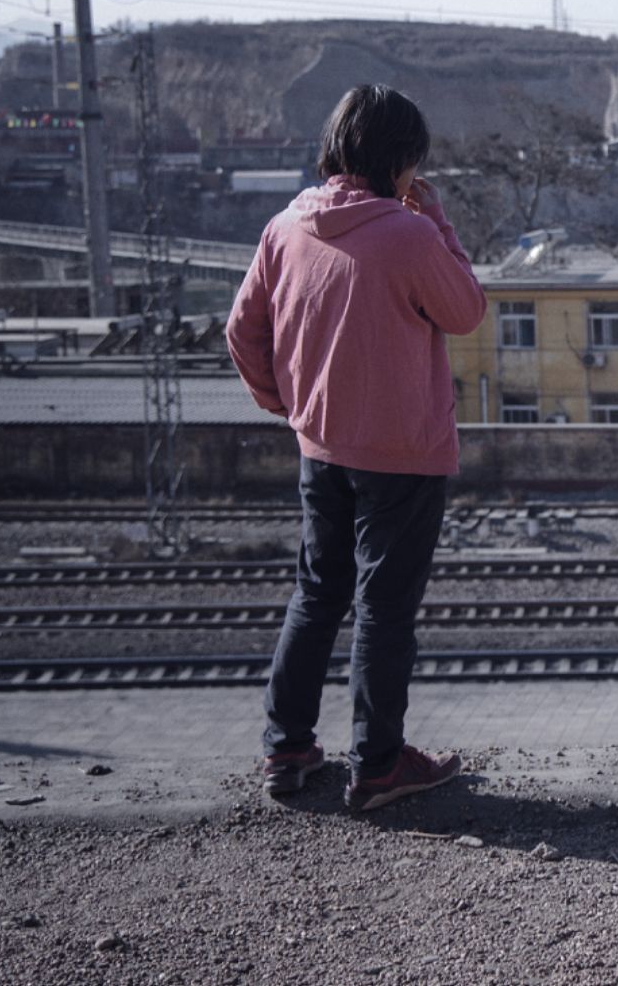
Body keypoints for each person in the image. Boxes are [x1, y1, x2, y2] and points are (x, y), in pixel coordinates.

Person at [227, 84, 486, 811]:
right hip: (401, 456)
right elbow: (465, 310)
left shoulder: (286, 227)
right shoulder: (409, 236)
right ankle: (377, 767)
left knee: (317, 593)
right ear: (403, 160)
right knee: (383, 609)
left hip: (322, 449)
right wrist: (436, 219)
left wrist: (286, 405)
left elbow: (241, 332)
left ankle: (288, 749)